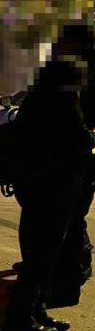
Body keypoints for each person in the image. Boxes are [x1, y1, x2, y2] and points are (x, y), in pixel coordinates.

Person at [3, 57, 94, 331]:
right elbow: (77, 143)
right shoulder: (63, 104)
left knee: (37, 254)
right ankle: (21, 318)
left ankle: (35, 310)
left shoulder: (35, 102)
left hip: (34, 187)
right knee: (41, 257)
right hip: (54, 188)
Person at [47, 24, 95, 307]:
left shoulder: (78, 76)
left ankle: (68, 280)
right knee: (72, 217)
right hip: (80, 154)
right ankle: (74, 268)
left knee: (69, 218)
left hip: (76, 156)